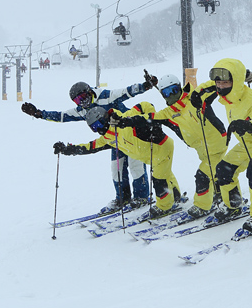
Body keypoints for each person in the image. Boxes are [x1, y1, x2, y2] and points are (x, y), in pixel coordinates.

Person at [21, 78, 156, 212]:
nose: (82, 102)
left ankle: (141, 197)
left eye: (83, 97)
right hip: (112, 139)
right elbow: (62, 116)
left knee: (135, 165)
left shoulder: (106, 96)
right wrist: (39, 114)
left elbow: (127, 91)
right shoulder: (82, 110)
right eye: (77, 100)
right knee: (117, 170)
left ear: (89, 91)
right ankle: (123, 198)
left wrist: (145, 85)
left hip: (131, 134)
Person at [113, 73, 227, 219]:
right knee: (215, 171)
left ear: (179, 87)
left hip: (216, 143)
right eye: (166, 93)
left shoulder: (195, 98)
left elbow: (216, 85)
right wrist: (126, 121)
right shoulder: (169, 112)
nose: (171, 95)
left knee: (203, 175)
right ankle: (223, 195)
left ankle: (202, 206)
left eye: (173, 90)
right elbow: (148, 118)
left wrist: (230, 77)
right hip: (201, 149)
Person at [190, 59, 252, 232]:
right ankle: (233, 206)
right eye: (218, 83)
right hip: (247, 142)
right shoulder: (226, 89)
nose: (220, 86)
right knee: (224, 169)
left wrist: (250, 124)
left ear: (236, 81)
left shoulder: (251, 101)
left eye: (224, 83)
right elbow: (209, 85)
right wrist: (197, 93)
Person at [54, 106, 183, 219]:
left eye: (98, 124)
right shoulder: (108, 138)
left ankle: (165, 206)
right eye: (94, 128)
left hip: (160, 147)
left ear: (104, 118)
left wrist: (153, 124)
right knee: (165, 173)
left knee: (159, 178)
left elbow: (145, 106)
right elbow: (90, 147)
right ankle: (176, 196)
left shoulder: (123, 120)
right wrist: (68, 149)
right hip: (149, 155)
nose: (98, 129)